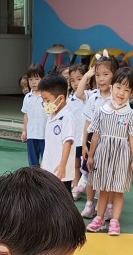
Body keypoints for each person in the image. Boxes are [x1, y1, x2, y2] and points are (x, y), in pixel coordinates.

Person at [86, 68, 133, 236]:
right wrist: (91, 155)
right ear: (111, 87)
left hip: (121, 157)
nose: (121, 93)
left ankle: (115, 221)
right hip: (103, 155)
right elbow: (96, 135)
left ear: (131, 93)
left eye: (126, 90)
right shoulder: (101, 111)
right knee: (103, 189)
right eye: (118, 87)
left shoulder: (131, 114)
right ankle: (99, 218)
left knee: (118, 190)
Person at [76, 55, 119, 219]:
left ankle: (108, 207)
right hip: (91, 141)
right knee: (90, 176)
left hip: (110, 142)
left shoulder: (117, 97)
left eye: (105, 74)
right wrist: (84, 144)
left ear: (115, 75)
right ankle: (89, 205)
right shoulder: (93, 96)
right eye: (98, 75)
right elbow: (87, 121)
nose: (101, 79)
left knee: (108, 178)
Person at [38, 73, 77, 191]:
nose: (45, 104)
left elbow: (67, 142)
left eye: (47, 100)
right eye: (43, 100)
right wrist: (44, 163)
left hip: (61, 170)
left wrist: (62, 165)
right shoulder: (51, 115)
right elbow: (50, 144)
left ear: (61, 98)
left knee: (63, 196)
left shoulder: (67, 117)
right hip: (49, 168)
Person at [66, 64, 88, 196]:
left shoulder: (91, 96)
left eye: (79, 79)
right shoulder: (70, 99)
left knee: (87, 166)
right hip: (75, 138)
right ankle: (75, 186)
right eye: (72, 80)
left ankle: (89, 189)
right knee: (76, 164)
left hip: (86, 139)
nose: (75, 83)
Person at [21, 64, 46, 167]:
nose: (33, 82)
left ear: (43, 79)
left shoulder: (46, 96)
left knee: (46, 162)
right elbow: (26, 115)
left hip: (45, 135)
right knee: (33, 163)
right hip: (31, 135)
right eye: (31, 79)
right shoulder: (27, 97)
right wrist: (24, 131)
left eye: (37, 79)